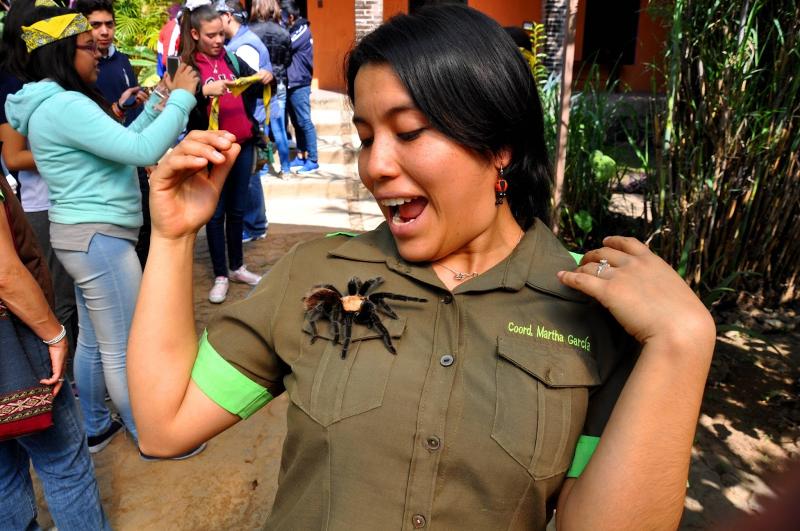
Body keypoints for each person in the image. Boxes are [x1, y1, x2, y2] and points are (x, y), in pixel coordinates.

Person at [128, 5, 716, 529]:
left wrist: (682, 345)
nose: (376, 166)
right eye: (364, 136)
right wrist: (175, 237)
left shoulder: (589, 310)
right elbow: (164, 425)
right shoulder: (317, 271)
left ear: (500, 145)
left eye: (409, 132)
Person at [5, 6, 200, 456]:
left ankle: (95, 425)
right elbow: (142, 149)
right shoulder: (65, 106)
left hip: (84, 237)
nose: (99, 52)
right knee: (126, 347)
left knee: (95, 342)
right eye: (88, 47)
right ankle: (152, 433)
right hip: (99, 240)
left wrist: (158, 102)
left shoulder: (53, 103)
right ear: (60, 53)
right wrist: (185, 98)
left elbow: (120, 144)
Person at [0, 166, 109, 530]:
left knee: (3, 476)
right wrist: (55, 335)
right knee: (64, 463)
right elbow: (4, 273)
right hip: (13, 346)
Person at [0, 0, 79, 361]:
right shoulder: (11, 84)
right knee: (59, 299)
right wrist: (77, 151)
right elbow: (14, 157)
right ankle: (69, 381)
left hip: (71, 200)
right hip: (41, 207)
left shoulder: (53, 77)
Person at [179, 2, 272, 303]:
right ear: (195, 34)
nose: (219, 40)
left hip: (241, 146)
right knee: (214, 214)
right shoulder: (187, 67)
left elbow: (253, 87)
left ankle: (237, 267)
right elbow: (175, 104)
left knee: (237, 210)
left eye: (222, 34)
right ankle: (220, 274)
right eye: (211, 35)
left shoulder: (231, 58)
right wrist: (204, 92)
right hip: (211, 151)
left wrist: (265, 78)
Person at [74, 0, 153, 269]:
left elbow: (131, 113)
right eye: (96, 25)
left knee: (144, 225)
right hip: (102, 167)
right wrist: (117, 107)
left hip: (133, 156)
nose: (104, 31)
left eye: (109, 24)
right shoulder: (76, 72)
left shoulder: (122, 61)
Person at [215, 0, 272, 243]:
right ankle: (254, 223)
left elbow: (251, 86)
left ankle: (254, 224)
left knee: (249, 177)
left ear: (227, 16)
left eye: (217, 19)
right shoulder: (237, 42)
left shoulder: (243, 46)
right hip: (247, 118)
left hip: (249, 118)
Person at [250, 0, 291, 178]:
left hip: (257, 85)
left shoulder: (249, 32)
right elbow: (287, 60)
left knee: (260, 129)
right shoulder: (283, 32)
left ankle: (264, 168)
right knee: (279, 128)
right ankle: (286, 169)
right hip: (279, 82)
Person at [282, 0, 318, 174]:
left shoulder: (302, 30)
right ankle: (301, 155)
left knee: (304, 121)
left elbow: (286, 44)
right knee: (296, 123)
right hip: (291, 82)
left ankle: (313, 159)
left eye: (282, 16)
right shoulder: (294, 29)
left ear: (290, 16)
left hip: (300, 83)